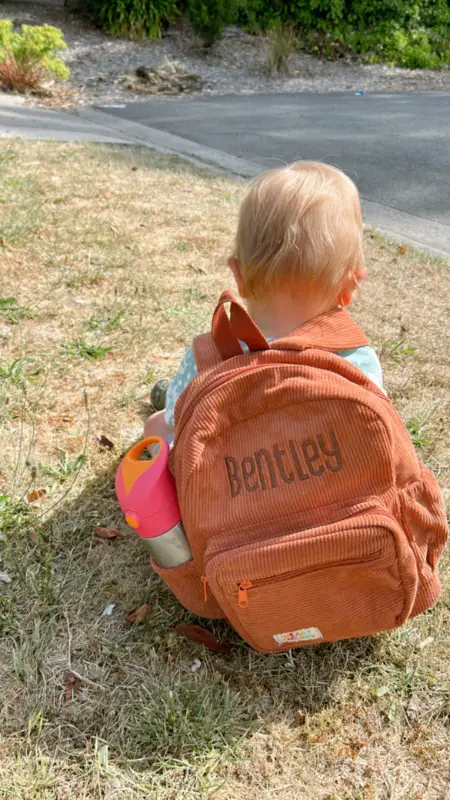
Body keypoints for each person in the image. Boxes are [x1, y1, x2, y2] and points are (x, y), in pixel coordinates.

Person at [144, 161, 383, 444]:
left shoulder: (209, 357)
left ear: (238, 276)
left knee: (154, 426)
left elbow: (177, 422)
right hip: (321, 477)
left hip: (226, 480)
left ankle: (166, 393)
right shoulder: (357, 362)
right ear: (349, 287)